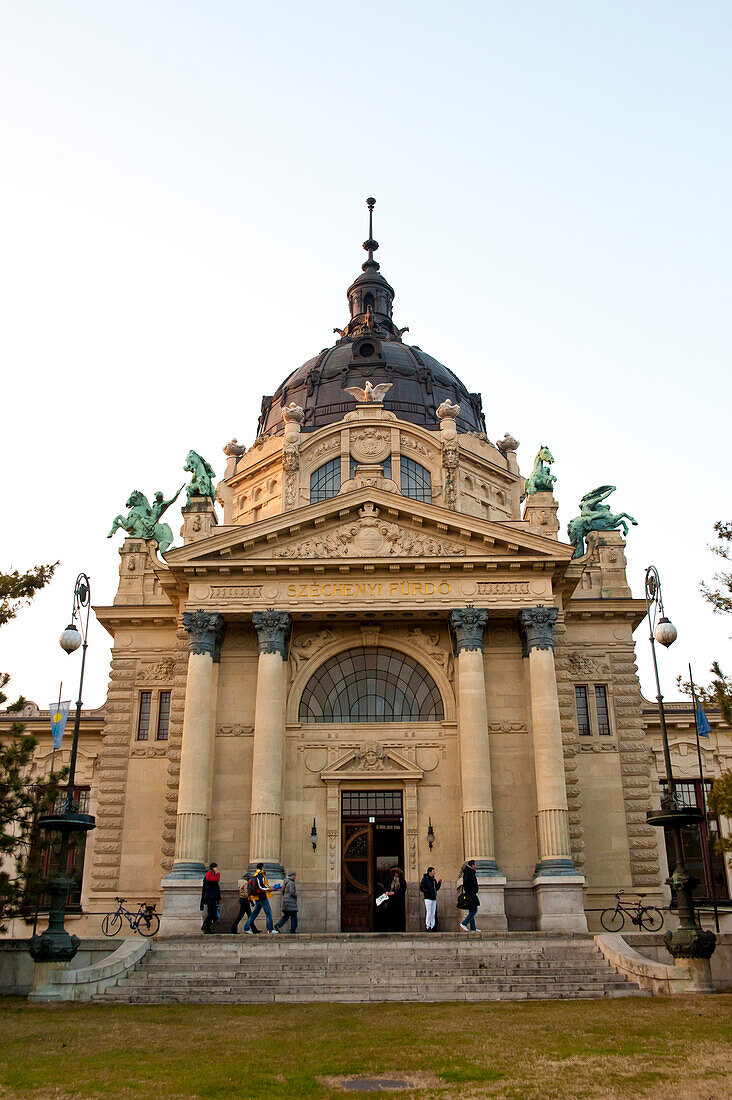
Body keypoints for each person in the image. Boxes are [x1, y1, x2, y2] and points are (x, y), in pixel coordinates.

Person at [243, 862, 281, 934]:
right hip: (262, 897)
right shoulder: (260, 875)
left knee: (254, 913)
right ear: (262, 867)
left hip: (257, 897)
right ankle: (270, 929)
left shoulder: (255, 874)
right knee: (268, 913)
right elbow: (261, 887)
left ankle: (246, 927)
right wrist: (270, 889)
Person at [458, 859, 480, 932]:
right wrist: (473, 890)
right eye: (475, 865)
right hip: (470, 894)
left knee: (472, 909)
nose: (476, 866)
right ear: (472, 865)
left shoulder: (469, 872)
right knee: (474, 910)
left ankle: (473, 928)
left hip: (471, 893)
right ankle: (464, 923)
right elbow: (468, 884)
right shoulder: (469, 873)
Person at [200, 862, 221, 934]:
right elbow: (216, 879)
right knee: (212, 912)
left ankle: (207, 928)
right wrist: (217, 874)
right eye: (215, 867)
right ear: (213, 868)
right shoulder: (209, 874)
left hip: (212, 896)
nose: (216, 869)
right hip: (210, 896)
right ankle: (205, 926)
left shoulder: (211, 874)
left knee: (212, 912)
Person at [419, 866, 442, 931]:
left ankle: (433, 926)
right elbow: (422, 887)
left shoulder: (434, 880)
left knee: (433, 913)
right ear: (429, 872)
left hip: (433, 898)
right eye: (433, 871)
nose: (434, 873)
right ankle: (428, 926)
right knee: (429, 912)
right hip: (428, 898)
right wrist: (427, 892)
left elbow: (436, 888)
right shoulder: (425, 879)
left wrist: (439, 883)